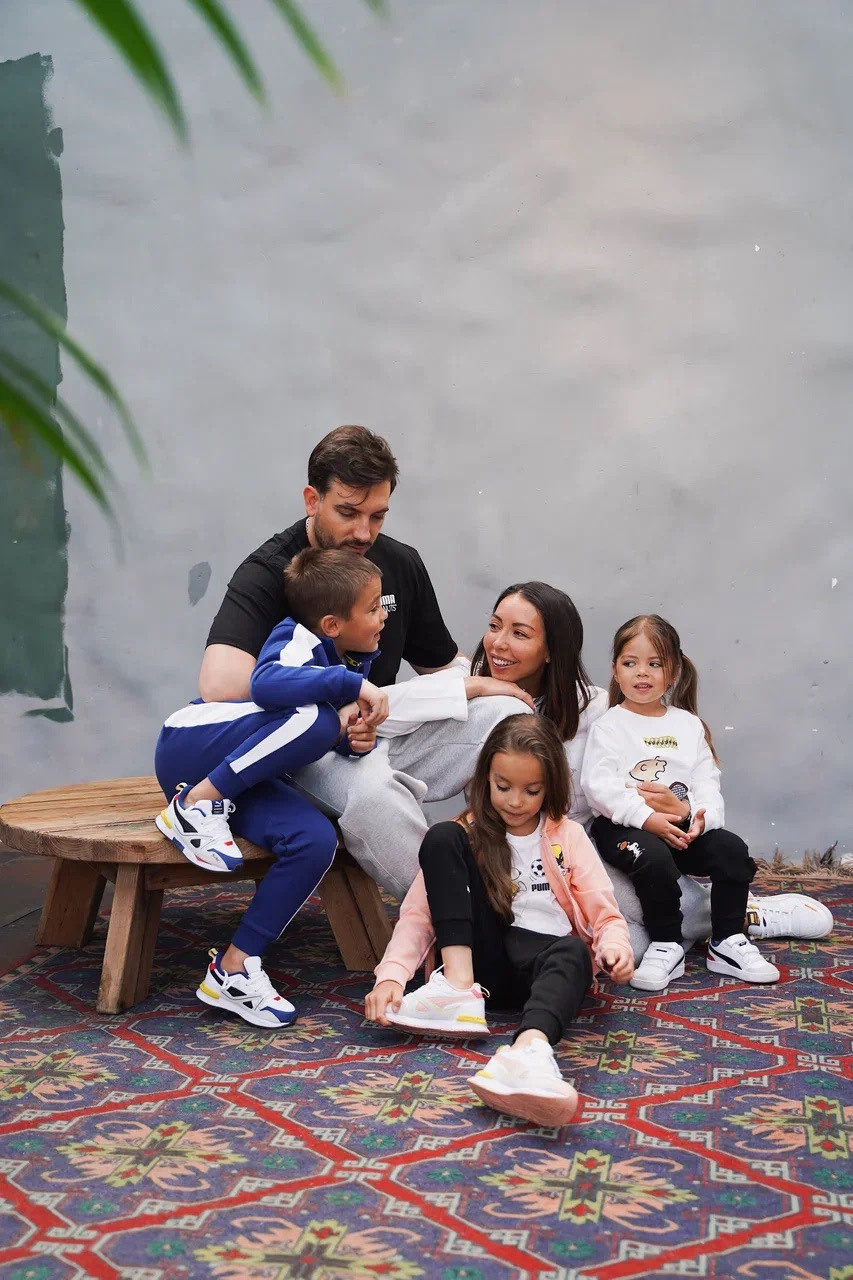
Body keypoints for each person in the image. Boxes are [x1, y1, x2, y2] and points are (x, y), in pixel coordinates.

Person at [387, 581, 830, 945]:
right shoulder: (473, 687)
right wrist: (471, 689)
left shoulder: (596, 710)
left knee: (659, 917)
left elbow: (654, 770)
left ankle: (737, 911)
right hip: (502, 846)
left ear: (551, 649)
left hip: (582, 849)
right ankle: (706, 918)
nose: (499, 644)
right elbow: (377, 709)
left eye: (520, 634)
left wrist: (680, 806)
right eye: (494, 626)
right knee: (613, 944)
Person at [198, 425, 531, 898]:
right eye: (348, 512)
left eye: (377, 516)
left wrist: (477, 684)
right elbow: (219, 683)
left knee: (512, 721)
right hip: (302, 753)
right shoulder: (270, 571)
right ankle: (457, 925)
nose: (363, 532)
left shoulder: (400, 563)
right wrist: (344, 698)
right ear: (312, 500)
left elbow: (445, 668)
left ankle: (531, 883)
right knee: (374, 794)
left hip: (379, 734)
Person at [154, 548, 390, 1027]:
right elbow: (266, 686)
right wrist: (345, 692)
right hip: (189, 745)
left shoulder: (346, 660)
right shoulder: (296, 638)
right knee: (316, 718)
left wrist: (355, 740)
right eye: (373, 607)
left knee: (314, 841)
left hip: (241, 777)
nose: (383, 614)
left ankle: (234, 968)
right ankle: (193, 805)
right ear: (330, 623)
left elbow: (311, 741)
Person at [365, 715, 634, 1128]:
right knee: (440, 837)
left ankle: (529, 1051)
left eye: (531, 790)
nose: (515, 801)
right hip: (481, 965)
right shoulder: (468, 832)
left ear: (552, 786)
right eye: (503, 787)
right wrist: (392, 977)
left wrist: (615, 946)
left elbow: (604, 912)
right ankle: (456, 990)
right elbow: (419, 916)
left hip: (542, 965)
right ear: (485, 777)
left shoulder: (569, 836)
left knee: (573, 952)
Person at [582, 614, 781, 991]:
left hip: (683, 825)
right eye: (630, 663)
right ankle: (666, 943)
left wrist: (697, 819)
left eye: (654, 664)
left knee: (732, 851)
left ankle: (726, 942)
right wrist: (647, 818)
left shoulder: (687, 725)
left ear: (672, 672)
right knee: (653, 860)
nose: (642, 673)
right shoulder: (609, 725)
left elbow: (707, 781)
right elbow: (599, 787)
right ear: (615, 669)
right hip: (625, 827)